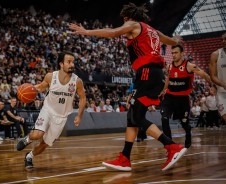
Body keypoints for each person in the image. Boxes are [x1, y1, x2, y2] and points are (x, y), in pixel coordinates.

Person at [69, 2, 187, 171]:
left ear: (128, 16)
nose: (123, 20)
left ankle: (171, 147)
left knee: (136, 117)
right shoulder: (152, 30)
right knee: (133, 115)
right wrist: (175, 40)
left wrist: (86, 32)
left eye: (124, 18)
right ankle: (125, 158)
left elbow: (114, 32)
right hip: (155, 74)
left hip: (147, 73)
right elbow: (168, 40)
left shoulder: (132, 24)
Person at [16, 51, 86, 169]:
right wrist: (27, 90)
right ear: (61, 64)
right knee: (38, 134)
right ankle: (27, 139)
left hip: (61, 116)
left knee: (45, 144)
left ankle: (29, 156)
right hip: (48, 110)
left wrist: (79, 116)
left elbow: (83, 98)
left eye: (73, 62)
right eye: (68, 62)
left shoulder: (77, 81)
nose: (72, 65)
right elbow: (40, 87)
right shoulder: (50, 76)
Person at [159, 45, 211, 149]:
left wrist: (213, 83)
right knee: (164, 119)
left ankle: (188, 134)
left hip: (182, 99)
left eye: (176, 53)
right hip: (169, 97)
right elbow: (168, 79)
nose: (173, 55)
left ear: (182, 53)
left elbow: (203, 74)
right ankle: (170, 145)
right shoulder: (169, 66)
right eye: (172, 53)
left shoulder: (189, 66)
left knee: (184, 123)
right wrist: (163, 91)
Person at [209, 32, 226, 123]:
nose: (223, 41)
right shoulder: (215, 54)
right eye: (222, 40)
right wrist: (223, 84)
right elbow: (213, 76)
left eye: (225, 39)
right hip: (222, 92)